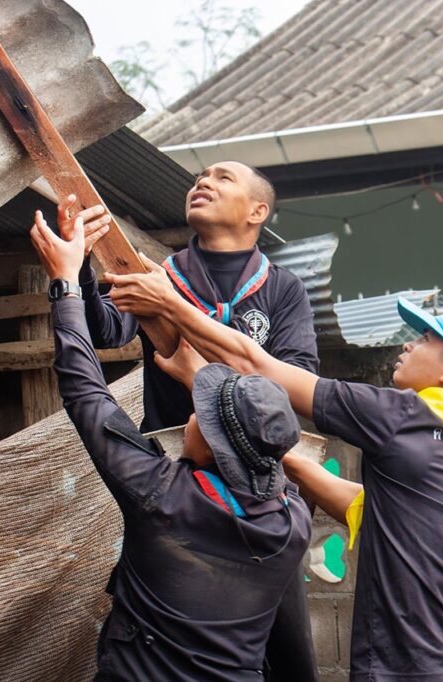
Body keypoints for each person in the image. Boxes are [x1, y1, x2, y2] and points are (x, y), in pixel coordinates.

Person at [105, 262, 443, 682]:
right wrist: (231, 419)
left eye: (426, 339)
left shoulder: (399, 415)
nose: (409, 344)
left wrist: (170, 303)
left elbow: (254, 362)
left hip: (412, 671)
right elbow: (373, 509)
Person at [58, 159, 319, 680]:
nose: (203, 182)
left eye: (223, 178)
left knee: (285, 630)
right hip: (173, 474)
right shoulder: (161, 272)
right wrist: (81, 268)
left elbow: (296, 379)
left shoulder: (282, 288)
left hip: (254, 479)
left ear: (257, 212)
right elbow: (108, 329)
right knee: (164, 603)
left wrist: (182, 322)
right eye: (201, 175)